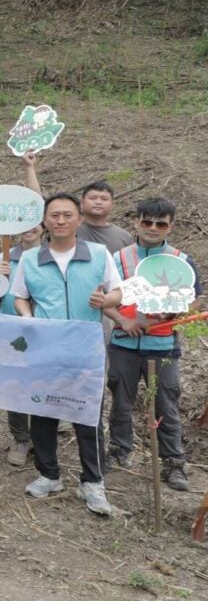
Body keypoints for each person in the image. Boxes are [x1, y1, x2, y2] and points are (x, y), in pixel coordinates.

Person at [12, 193, 121, 516]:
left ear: (78, 219)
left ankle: (92, 481)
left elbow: (117, 290)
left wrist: (107, 301)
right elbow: (20, 296)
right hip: (45, 349)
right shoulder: (32, 259)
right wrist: (27, 317)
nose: (60, 220)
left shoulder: (98, 254)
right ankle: (48, 474)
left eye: (67, 215)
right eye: (54, 215)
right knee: (43, 414)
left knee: (87, 416)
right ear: (45, 221)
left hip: (86, 350)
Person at [102, 198, 202, 491]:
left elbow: (195, 298)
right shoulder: (118, 259)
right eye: (147, 222)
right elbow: (102, 297)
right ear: (136, 222)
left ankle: (174, 463)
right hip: (123, 344)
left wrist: (173, 312)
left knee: (166, 405)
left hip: (163, 345)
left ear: (170, 226)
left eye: (161, 224)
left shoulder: (180, 260)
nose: (153, 228)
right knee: (121, 402)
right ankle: (120, 453)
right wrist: (123, 321)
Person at [0, 222, 44, 466]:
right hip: (12, 330)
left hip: (45, 330)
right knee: (15, 385)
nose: (29, 228)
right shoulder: (4, 258)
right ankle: (21, 437)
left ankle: (44, 438)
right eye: (23, 223)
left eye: (35, 223)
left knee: (43, 381)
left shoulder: (51, 256)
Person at [21, 154, 132, 254]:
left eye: (104, 199)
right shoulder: (66, 225)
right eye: (93, 198)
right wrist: (29, 167)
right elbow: (36, 202)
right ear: (82, 202)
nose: (98, 202)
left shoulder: (124, 237)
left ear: (112, 204)